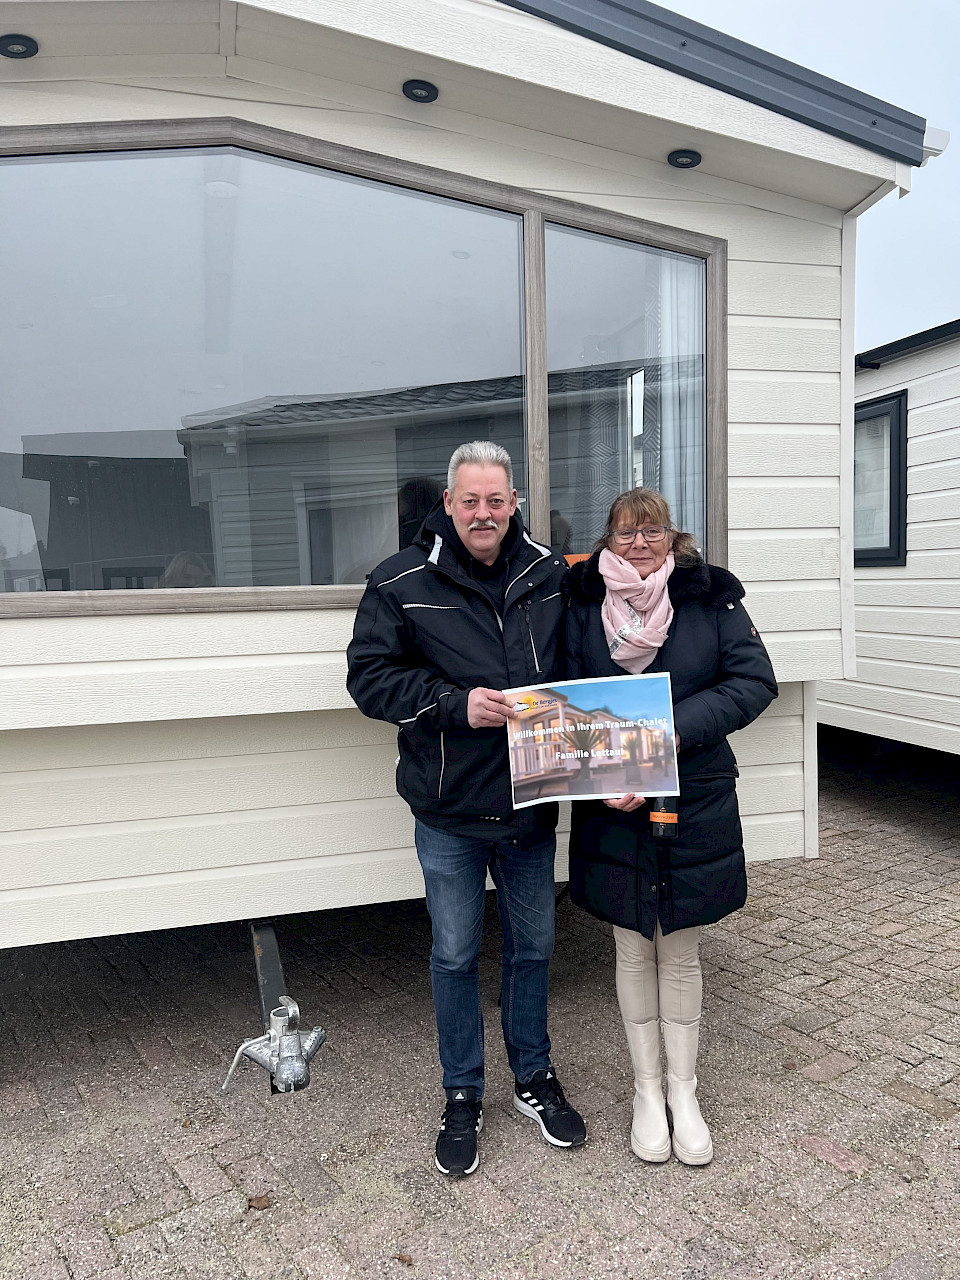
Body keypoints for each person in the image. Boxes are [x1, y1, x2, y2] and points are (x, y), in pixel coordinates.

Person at [347, 440, 586, 1178]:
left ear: (514, 504)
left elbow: (586, 666)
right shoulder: (399, 580)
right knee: (454, 955)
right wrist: (454, 705)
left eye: (496, 500)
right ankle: (463, 1091)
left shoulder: (550, 574)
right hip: (448, 807)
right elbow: (369, 679)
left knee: (533, 949)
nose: (484, 513)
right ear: (448, 505)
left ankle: (533, 1077)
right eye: (470, 500)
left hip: (530, 803)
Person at [563, 487, 777, 1166]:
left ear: (672, 536)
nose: (639, 543)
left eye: (651, 531)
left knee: (680, 945)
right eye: (625, 533)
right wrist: (604, 771)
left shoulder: (710, 598)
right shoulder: (579, 604)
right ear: (607, 539)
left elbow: (754, 682)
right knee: (632, 942)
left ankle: (684, 1093)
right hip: (614, 799)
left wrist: (668, 732)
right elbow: (564, 695)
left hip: (694, 791)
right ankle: (645, 1090)